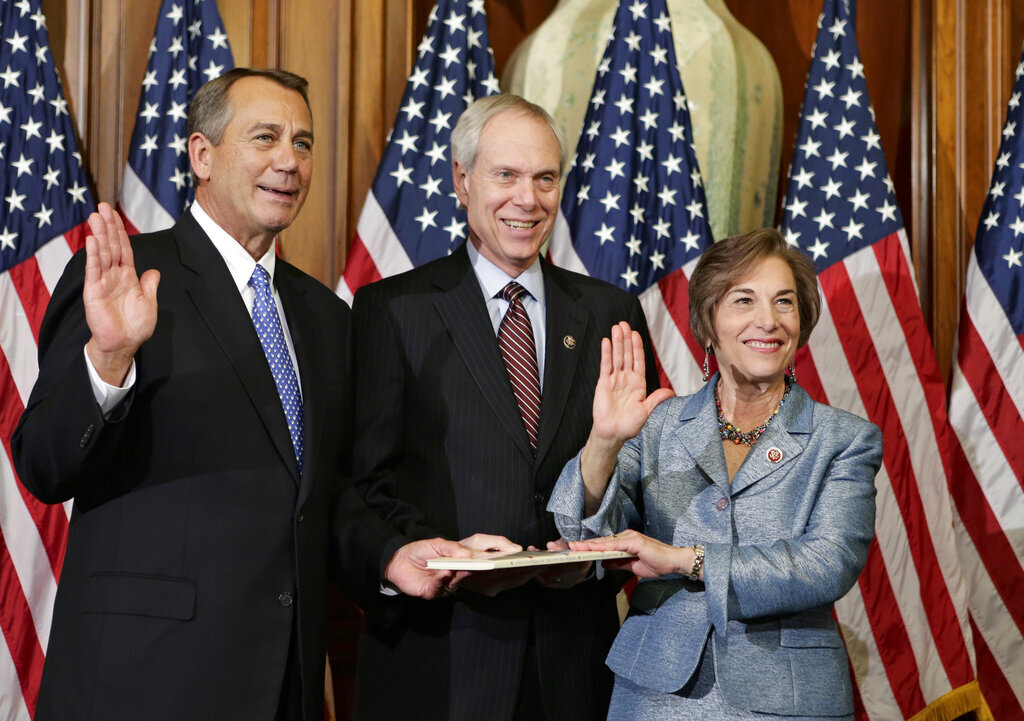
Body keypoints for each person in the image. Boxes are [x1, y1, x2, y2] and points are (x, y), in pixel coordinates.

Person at [12, 68, 473, 721]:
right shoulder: (131, 281)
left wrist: (392, 553)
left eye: (304, 143)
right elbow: (43, 464)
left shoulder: (324, 316)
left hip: (283, 684)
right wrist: (110, 355)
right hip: (144, 682)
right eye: (266, 137)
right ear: (203, 154)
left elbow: (322, 492)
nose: (290, 160)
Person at [348, 94, 660, 721]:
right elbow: (361, 487)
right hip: (440, 658)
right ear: (462, 182)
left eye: (545, 178)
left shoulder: (610, 314)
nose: (529, 199)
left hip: (577, 664)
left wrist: (593, 563)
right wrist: (433, 555)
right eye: (507, 176)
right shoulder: (394, 310)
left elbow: (648, 487)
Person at [549, 228, 882, 720]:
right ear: (708, 324)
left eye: (784, 302)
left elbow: (826, 565)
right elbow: (579, 533)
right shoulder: (658, 422)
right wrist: (604, 441)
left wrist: (687, 560)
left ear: (802, 322)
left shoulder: (845, 439)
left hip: (786, 699)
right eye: (743, 300)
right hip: (656, 694)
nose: (767, 321)